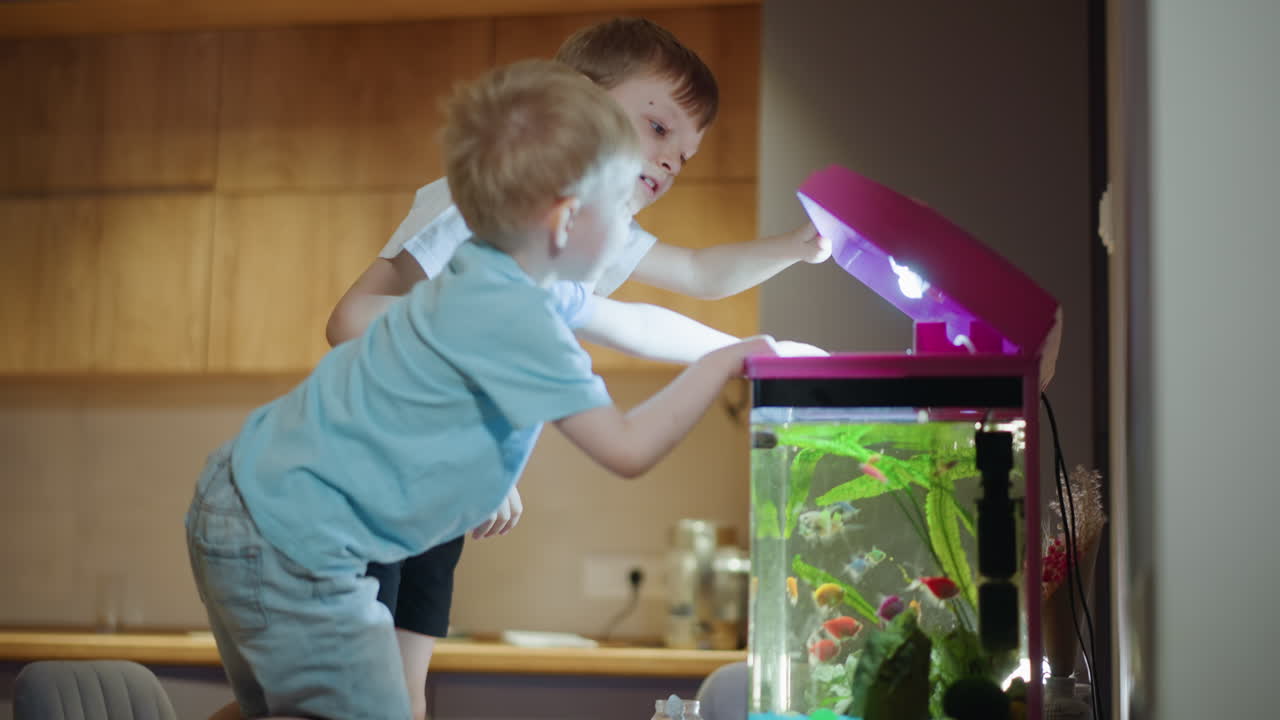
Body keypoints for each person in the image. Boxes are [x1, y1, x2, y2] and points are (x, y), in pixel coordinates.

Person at [186, 58, 780, 720]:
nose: (629, 234)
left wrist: (741, 349)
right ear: (563, 221)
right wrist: (719, 365)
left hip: (241, 499)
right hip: (292, 540)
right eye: (621, 209)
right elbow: (629, 447)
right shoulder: (521, 320)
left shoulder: (481, 274)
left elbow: (634, 322)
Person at [317, 18, 829, 720]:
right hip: (370, 478)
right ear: (570, 100)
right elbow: (350, 320)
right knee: (348, 695)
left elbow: (691, 282)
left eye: (685, 153)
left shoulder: (583, 233)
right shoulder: (482, 196)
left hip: (434, 496)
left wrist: (796, 251)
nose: (672, 160)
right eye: (658, 127)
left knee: (406, 693)